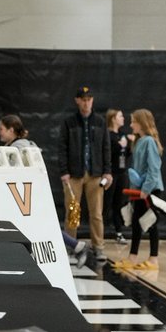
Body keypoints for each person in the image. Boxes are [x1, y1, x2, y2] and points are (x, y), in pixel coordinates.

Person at [0, 114, 89, 268]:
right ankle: (76, 245)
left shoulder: (16, 149)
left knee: (40, 226)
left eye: (1, 129)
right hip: (32, 195)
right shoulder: (27, 145)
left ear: (11, 130)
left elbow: (9, 174)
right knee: (44, 225)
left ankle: (75, 246)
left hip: (23, 197)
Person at [56, 86, 112, 264]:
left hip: (95, 174)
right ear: (77, 100)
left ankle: (98, 246)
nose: (87, 102)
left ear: (92, 101)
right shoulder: (69, 122)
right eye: (83, 99)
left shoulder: (100, 121)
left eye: (89, 99)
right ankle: (71, 245)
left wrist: (107, 171)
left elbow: (106, 147)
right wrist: (64, 171)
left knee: (96, 213)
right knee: (73, 212)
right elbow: (62, 147)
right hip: (74, 174)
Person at [114, 109, 164, 271]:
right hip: (138, 191)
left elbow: (153, 169)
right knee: (137, 222)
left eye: (133, 121)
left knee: (149, 222)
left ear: (141, 123)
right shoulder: (139, 141)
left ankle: (153, 259)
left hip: (149, 190)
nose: (130, 124)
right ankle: (133, 257)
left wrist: (146, 189)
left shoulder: (149, 141)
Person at [104, 108, 129, 244]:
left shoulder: (122, 134)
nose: (123, 118)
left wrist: (126, 146)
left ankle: (119, 232)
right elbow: (108, 153)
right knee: (106, 202)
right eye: (120, 116)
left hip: (122, 173)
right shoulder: (108, 135)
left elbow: (125, 154)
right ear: (113, 118)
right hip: (110, 174)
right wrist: (119, 146)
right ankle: (99, 232)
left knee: (118, 203)